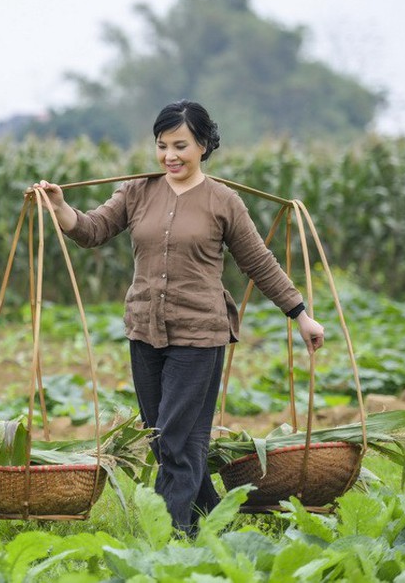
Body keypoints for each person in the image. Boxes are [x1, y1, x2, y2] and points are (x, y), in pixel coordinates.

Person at [31, 99, 324, 537]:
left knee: (174, 438)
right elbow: (91, 230)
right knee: (168, 439)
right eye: (162, 145)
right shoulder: (135, 191)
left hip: (200, 334)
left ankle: (167, 537)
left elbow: (258, 263)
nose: (170, 155)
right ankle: (213, 522)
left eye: (181, 145)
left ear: (203, 146)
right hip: (144, 330)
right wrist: (60, 209)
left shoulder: (224, 201)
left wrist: (300, 314)